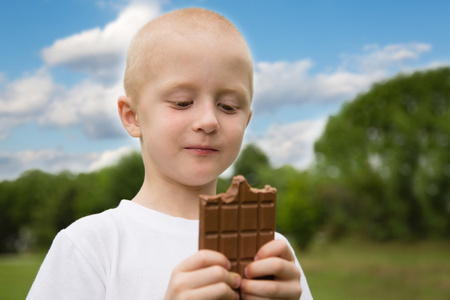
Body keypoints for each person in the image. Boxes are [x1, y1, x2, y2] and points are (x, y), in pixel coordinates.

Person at [27, 7, 313, 300]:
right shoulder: (91, 246)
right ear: (133, 116)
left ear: (246, 121)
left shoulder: (272, 252)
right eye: (182, 102)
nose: (208, 121)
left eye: (228, 106)